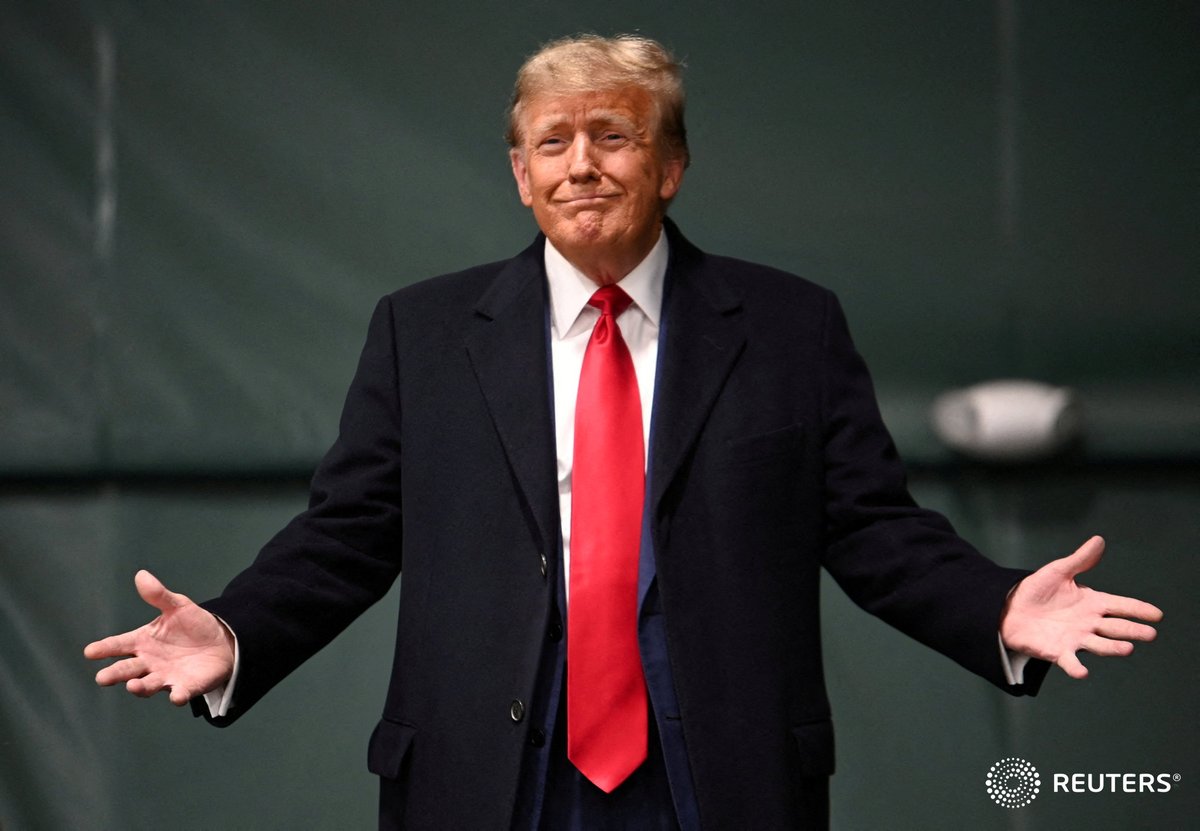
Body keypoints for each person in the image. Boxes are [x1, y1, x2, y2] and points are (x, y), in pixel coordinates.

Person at [85, 34, 1162, 830]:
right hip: (488, 778)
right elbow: (349, 531)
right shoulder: (422, 332)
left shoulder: (789, 326)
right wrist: (235, 633)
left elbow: (874, 528)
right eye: (551, 143)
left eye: (613, 136)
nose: (581, 165)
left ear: (673, 163)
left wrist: (997, 606)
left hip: (720, 777)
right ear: (519, 175)